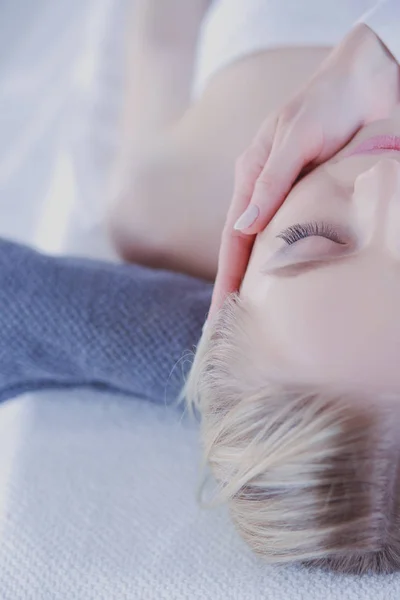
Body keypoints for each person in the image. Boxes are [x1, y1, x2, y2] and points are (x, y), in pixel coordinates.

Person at [107, 0, 400, 575]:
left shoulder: (161, 206)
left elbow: (161, 30)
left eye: (317, 238)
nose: (386, 187)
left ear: (232, 281)